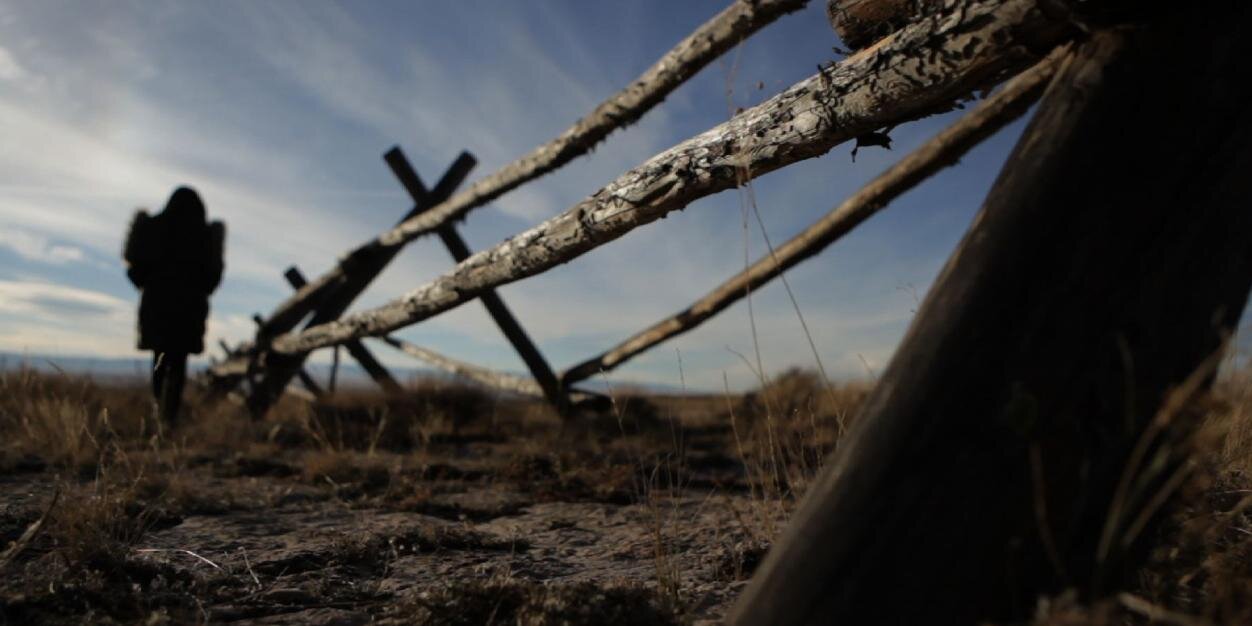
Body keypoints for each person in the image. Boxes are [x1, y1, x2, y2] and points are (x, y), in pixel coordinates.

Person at [123, 187, 225, 425]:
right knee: (178, 361)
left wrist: (152, 285)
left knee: (160, 357)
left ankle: (159, 411)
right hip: (189, 310)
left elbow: (135, 270)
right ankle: (169, 415)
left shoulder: (152, 229)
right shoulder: (204, 236)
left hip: (156, 307)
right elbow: (212, 278)